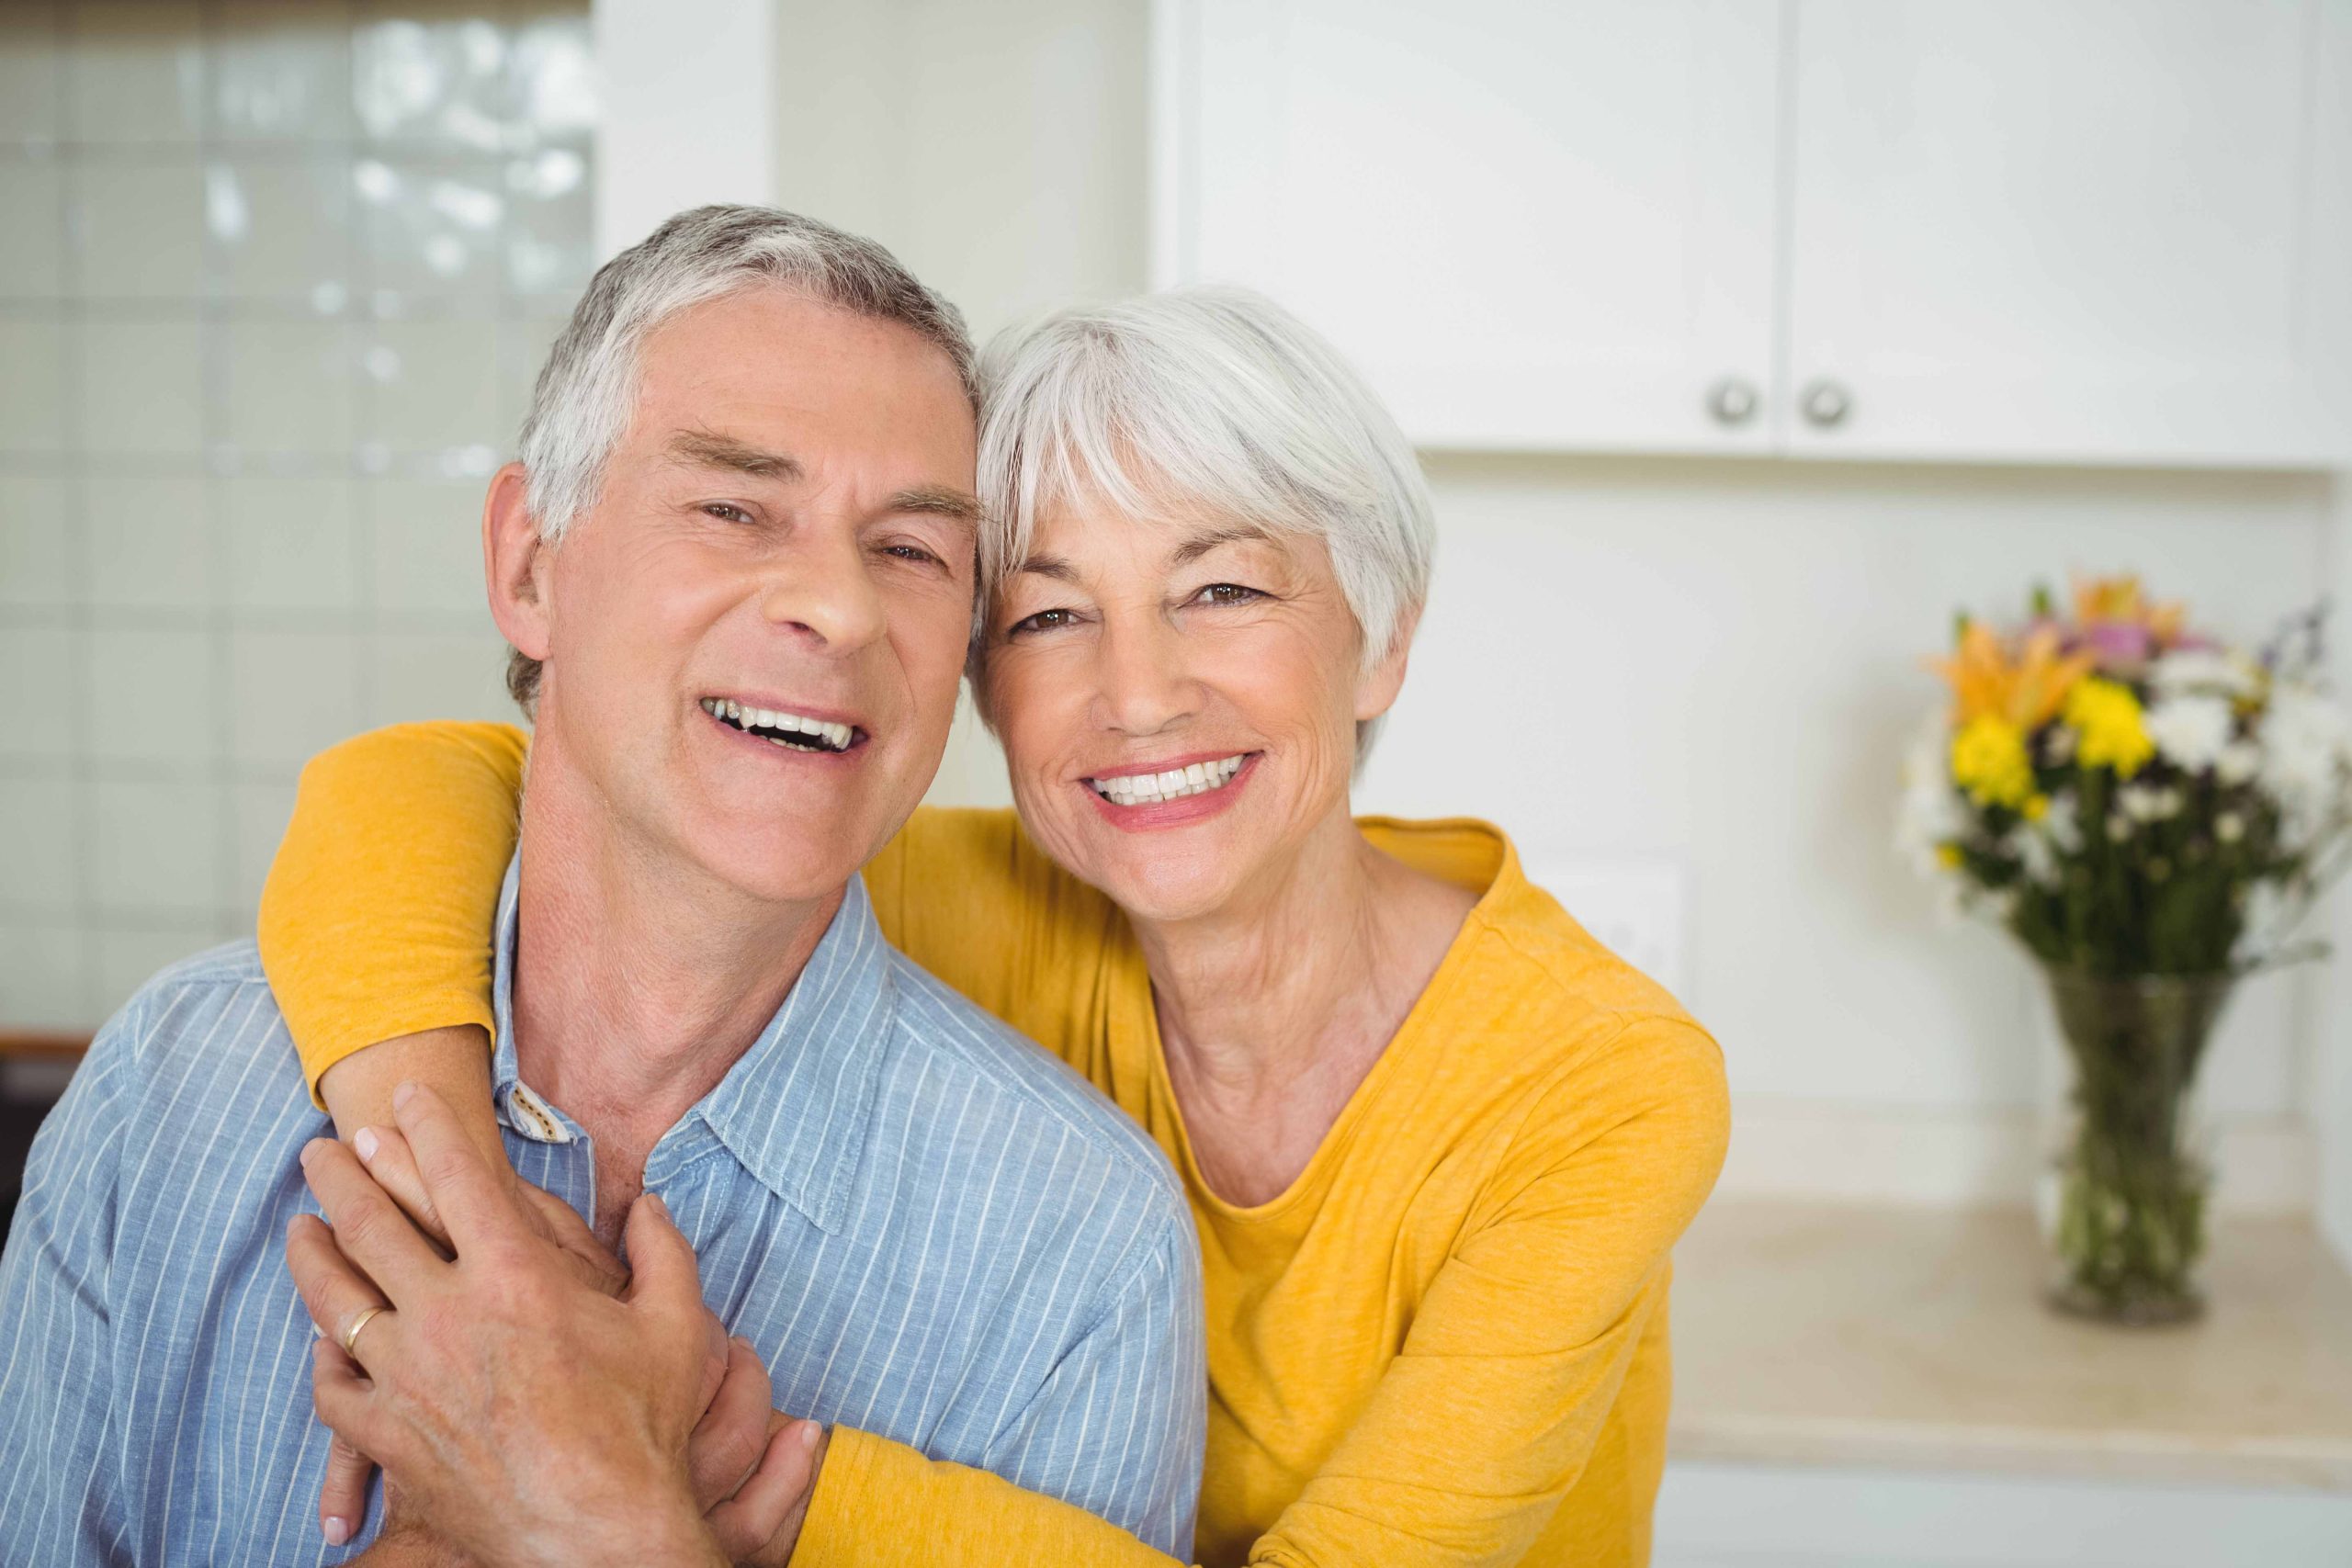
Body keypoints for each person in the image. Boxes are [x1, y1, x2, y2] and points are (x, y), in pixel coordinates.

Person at [263, 283, 1732, 1565]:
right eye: (1046, 617)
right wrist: (465, 1229)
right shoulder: (970, 899)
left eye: (1220, 589)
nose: (1138, 693)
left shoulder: (1603, 1085)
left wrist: (695, 1470)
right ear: (978, 687)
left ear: (1384, 635)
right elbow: (446, 783)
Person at [0, 206, 1205, 1568]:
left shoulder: (1079, 1258)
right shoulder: (169, 1092)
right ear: (529, 565)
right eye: (734, 507)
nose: (842, 608)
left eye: (913, 551)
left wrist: (586, 1518)